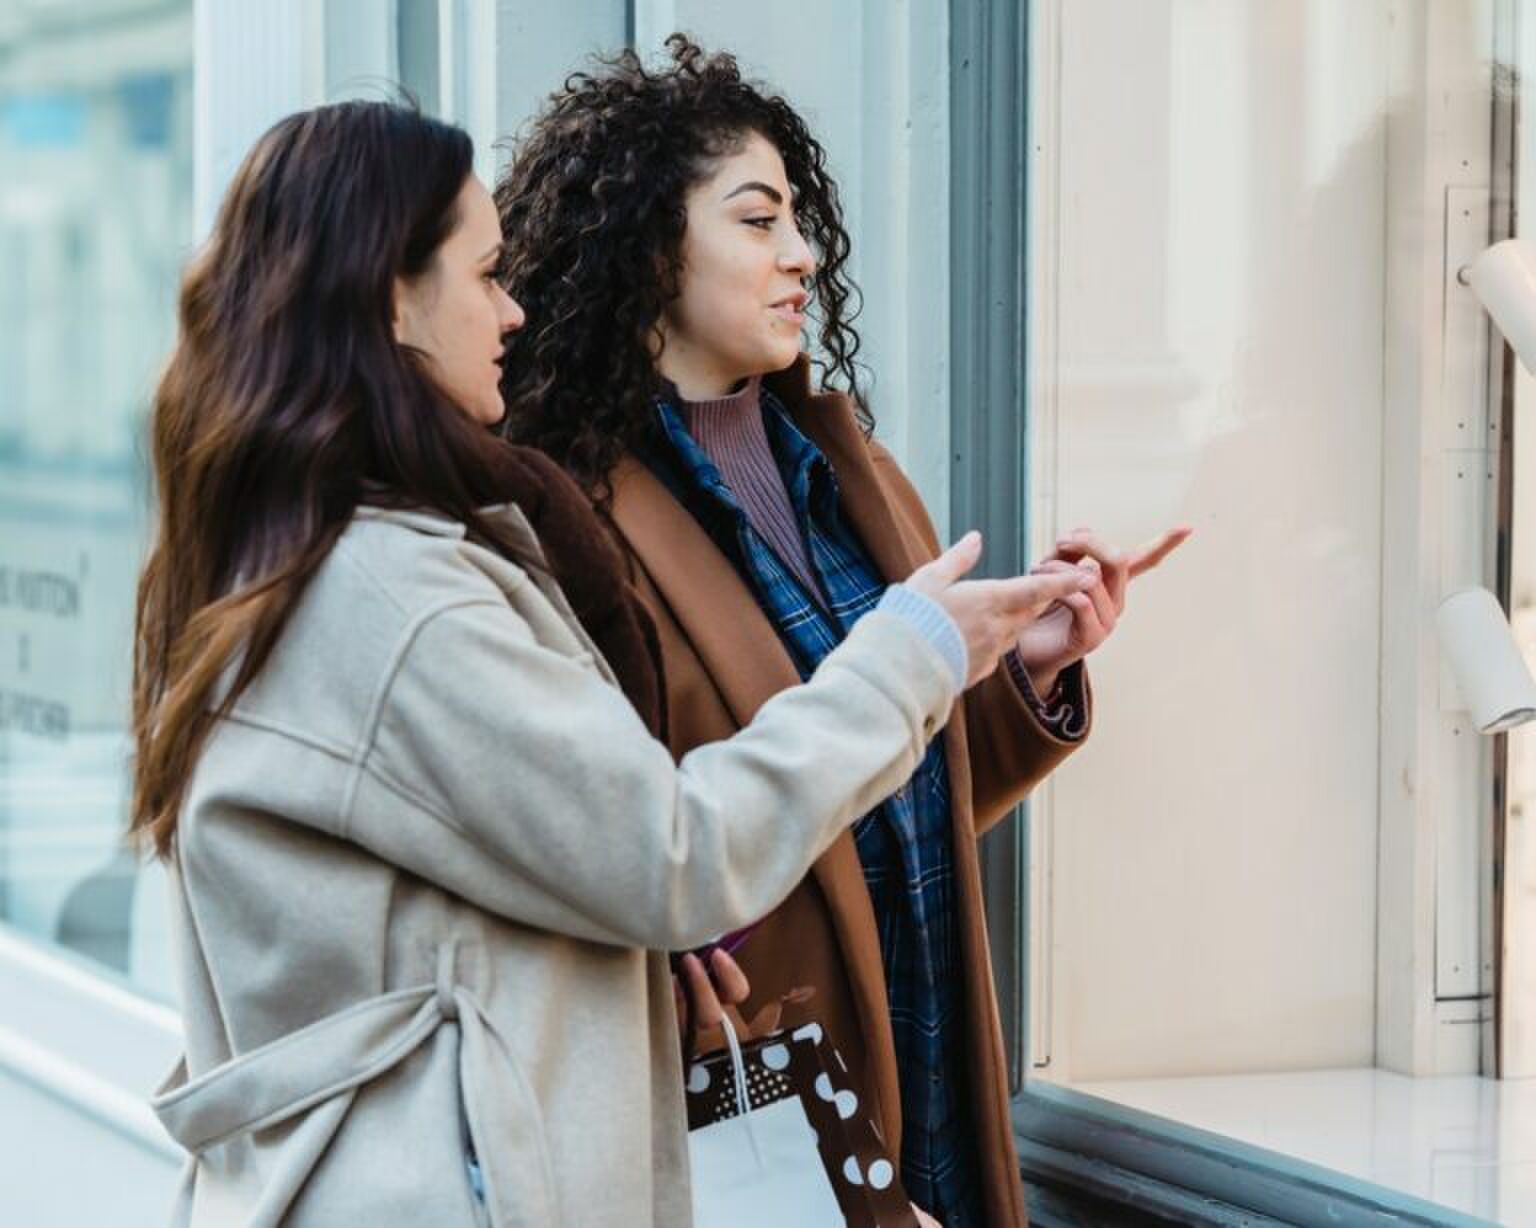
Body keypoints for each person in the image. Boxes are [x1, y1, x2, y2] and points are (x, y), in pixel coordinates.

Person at [129, 100, 1091, 1225]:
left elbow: (519, 877)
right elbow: (672, 853)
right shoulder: (396, 596)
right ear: (393, 293)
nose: (514, 307)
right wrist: (914, 652)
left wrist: (1002, 676)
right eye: (486, 275)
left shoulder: (322, 555)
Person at [496, 38, 1189, 1226]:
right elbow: (621, 847)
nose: (802, 254)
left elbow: (876, 792)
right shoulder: (571, 518)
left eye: (797, 220)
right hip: (757, 1099)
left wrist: (1025, 672)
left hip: (932, 1070)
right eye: (758, 221)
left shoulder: (851, 468)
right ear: (650, 252)